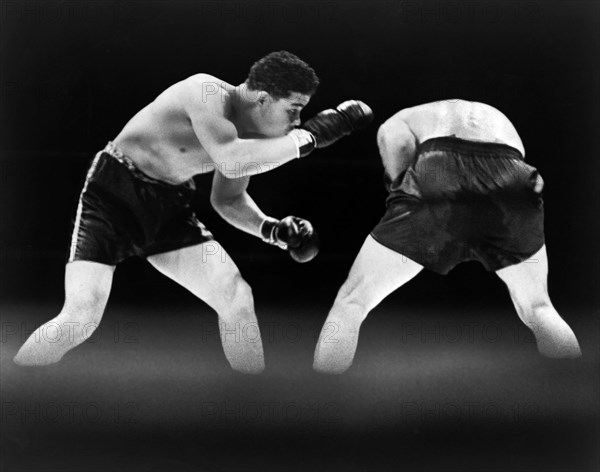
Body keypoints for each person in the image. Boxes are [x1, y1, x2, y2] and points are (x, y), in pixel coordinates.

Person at [14, 51, 373, 373]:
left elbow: (228, 200)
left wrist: (271, 229)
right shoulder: (205, 92)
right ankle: (14, 389)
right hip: (114, 197)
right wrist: (309, 138)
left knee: (236, 298)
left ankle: (252, 404)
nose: (297, 121)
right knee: (81, 316)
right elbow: (231, 159)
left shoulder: (253, 142)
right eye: (293, 110)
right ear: (263, 98)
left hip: (169, 207)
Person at [313, 99, 582, 374]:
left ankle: (322, 397)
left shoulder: (397, 120)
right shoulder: (486, 116)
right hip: (513, 179)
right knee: (538, 307)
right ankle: (579, 396)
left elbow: (400, 152)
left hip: (441, 169)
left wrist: (401, 189)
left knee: (351, 301)